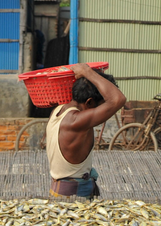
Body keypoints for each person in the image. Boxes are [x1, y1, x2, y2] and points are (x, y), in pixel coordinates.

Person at [46, 63, 126, 199]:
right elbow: (118, 99)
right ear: (89, 103)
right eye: (101, 106)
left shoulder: (59, 110)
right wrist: (87, 72)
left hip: (60, 190)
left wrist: (88, 74)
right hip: (73, 196)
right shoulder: (76, 122)